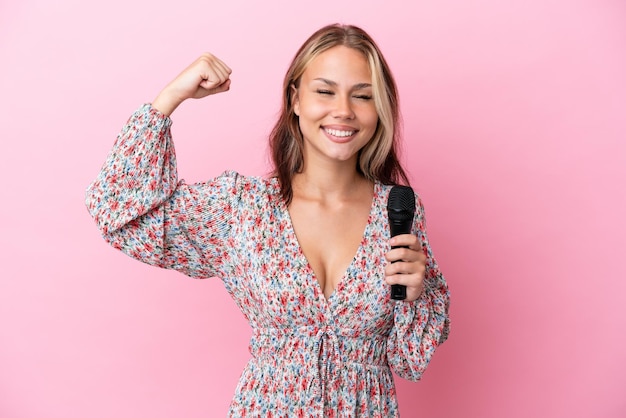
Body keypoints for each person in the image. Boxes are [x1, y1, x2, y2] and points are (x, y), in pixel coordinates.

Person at [86, 23, 450, 417]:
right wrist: (170, 98)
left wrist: (417, 293)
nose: (343, 110)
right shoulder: (241, 209)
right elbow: (118, 209)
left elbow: (409, 359)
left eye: (362, 95)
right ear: (295, 99)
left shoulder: (397, 211)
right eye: (325, 91)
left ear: (380, 107)